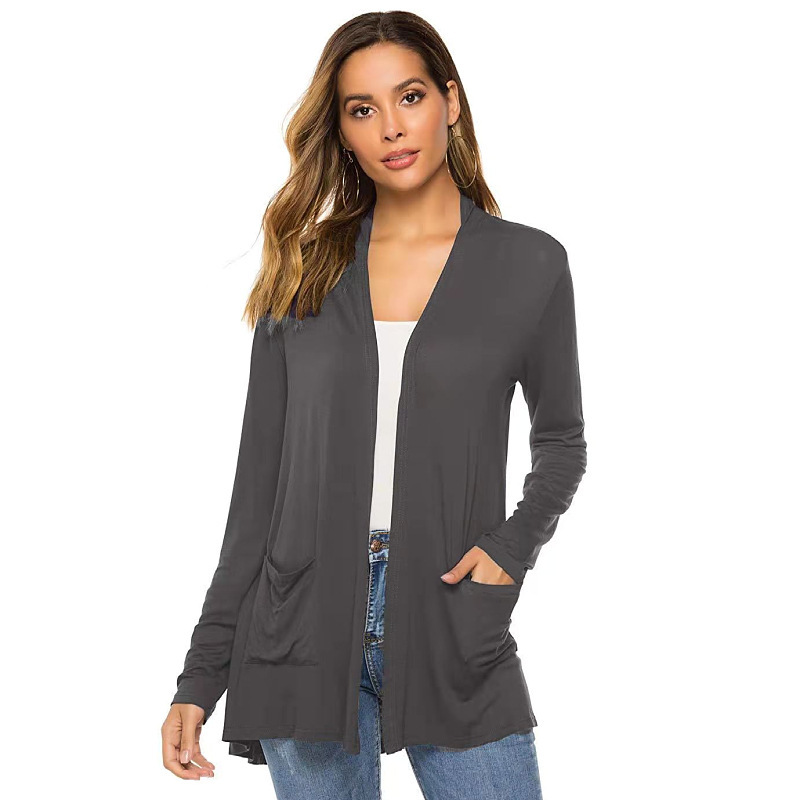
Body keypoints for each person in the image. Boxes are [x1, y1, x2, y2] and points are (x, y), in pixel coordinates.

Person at [161, 11, 587, 799]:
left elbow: (561, 441)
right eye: (363, 109)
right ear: (344, 132)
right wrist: (200, 673)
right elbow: (257, 495)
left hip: (452, 614)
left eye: (410, 97)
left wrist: (509, 548)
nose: (392, 126)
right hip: (297, 625)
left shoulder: (528, 263)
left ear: (450, 102)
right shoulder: (306, 268)